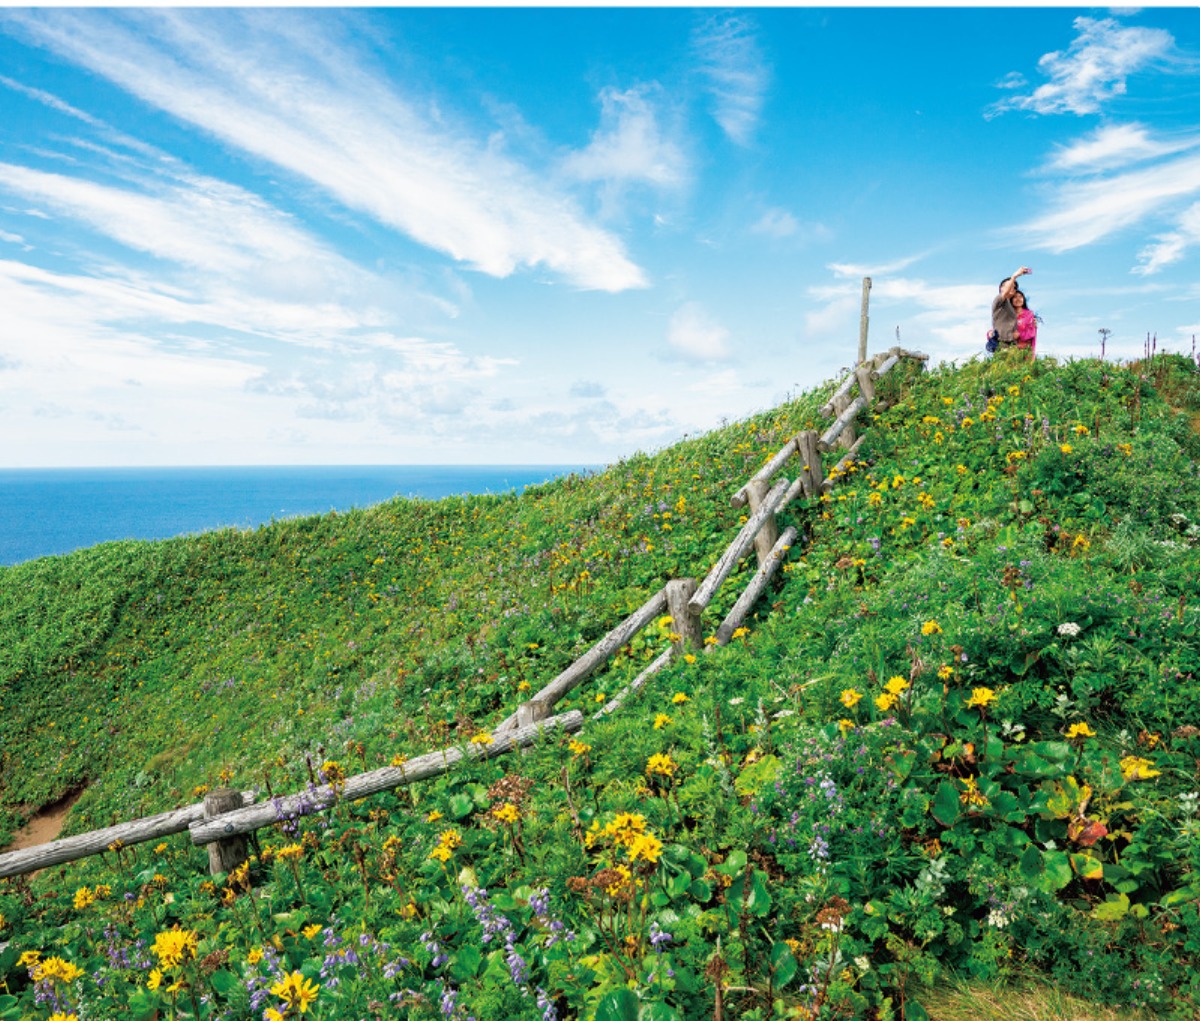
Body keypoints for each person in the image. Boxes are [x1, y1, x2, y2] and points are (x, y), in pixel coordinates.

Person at [991, 266, 1031, 351]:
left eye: (1014, 287)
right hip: (1001, 343)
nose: (1012, 288)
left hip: (1011, 343)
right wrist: (1014, 276)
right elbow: (1005, 292)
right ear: (1001, 288)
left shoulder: (1010, 304)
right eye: (1009, 286)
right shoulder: (999, 300)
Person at [1012, 288, 1037, 357]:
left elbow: (1031, 332)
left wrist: (1019, 335)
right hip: (1011, 350)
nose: (1018, 299)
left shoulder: (1029, 314)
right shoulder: (1008, 315)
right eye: (1015, 297)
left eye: (1020, 297)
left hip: (1025, 351)